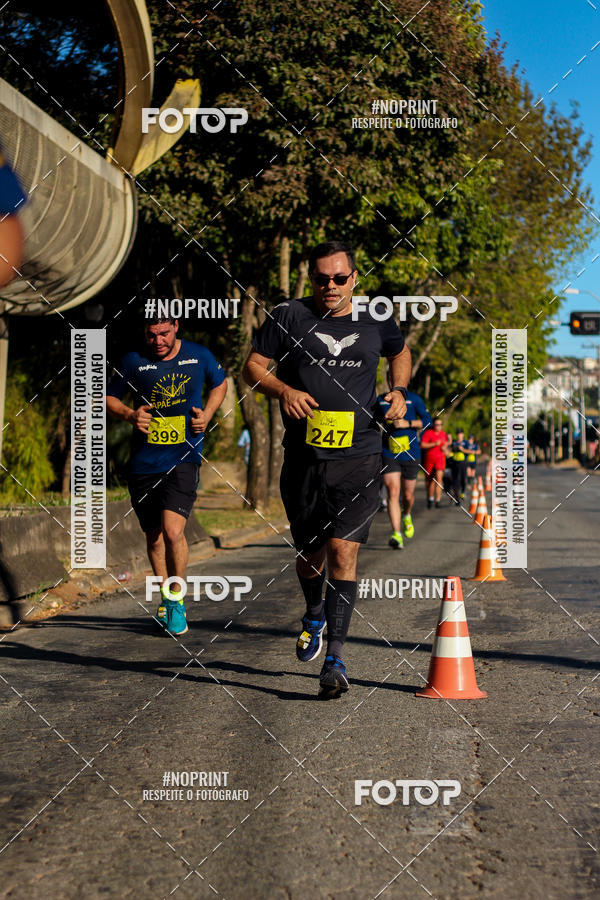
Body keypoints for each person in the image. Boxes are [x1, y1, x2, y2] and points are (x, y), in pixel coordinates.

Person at [242, 239, 410, 698]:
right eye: (321, 279)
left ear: (355, 277)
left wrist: (398, 391)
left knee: (343, 552)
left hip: (359, 456)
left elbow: (400, 352)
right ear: (311, 278)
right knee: (310, 555)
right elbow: (253, 366)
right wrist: (283, 391)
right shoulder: (289, 316)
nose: (330, 286)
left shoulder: (377, 317)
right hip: (304, 460)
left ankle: (335, 657)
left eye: (339, 278)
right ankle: (313, 612)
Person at [106, 315, 227, 635]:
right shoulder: (133, 361)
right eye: (151, 335)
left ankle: (176, 602)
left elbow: (220, 383)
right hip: (144, 463)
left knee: (174, 532)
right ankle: (164, 594)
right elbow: (108, 397)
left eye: (163, 333)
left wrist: (209, 415)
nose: (157, 341)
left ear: (175, 327)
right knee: (155, 536)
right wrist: (130, 414)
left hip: (184, 458)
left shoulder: (198, 355)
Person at [377, 371, 431, 548]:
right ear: (387, 380)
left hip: (411, 453)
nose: (393, 380)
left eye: (396, 377)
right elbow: (370, 421)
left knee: (407, 495)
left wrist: (408, 424)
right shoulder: (380, 400)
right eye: (390, 377)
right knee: (392, 492)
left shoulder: (414, 399)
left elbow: (427, 421)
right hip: (389, 452)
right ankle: (396, 534)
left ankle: (406, 514)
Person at [420, 417, 449, 508]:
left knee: (439, 479)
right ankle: (430, 498)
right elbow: (422, 445)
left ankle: (438, 501)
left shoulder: (443, 434)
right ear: (433, 425)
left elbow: (445, 444)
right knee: (430, 481)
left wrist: (445, 449)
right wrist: (434, 444)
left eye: (440, 425)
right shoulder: (428, 433)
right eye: (437, 425)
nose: (439, 426)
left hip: (440, 459)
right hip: (429, 460)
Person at [448, 428, 470, 504]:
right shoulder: (454, 442)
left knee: (463, 479)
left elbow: (470, 451)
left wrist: (462, 449)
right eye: (458, 434)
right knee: (455, 481)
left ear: (463, 434)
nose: (459, 435)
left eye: (460, 434)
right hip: (454, 463)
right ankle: (457, 498)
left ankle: (463, 491)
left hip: (463, 463)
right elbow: (449, 450)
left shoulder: (466, 442)